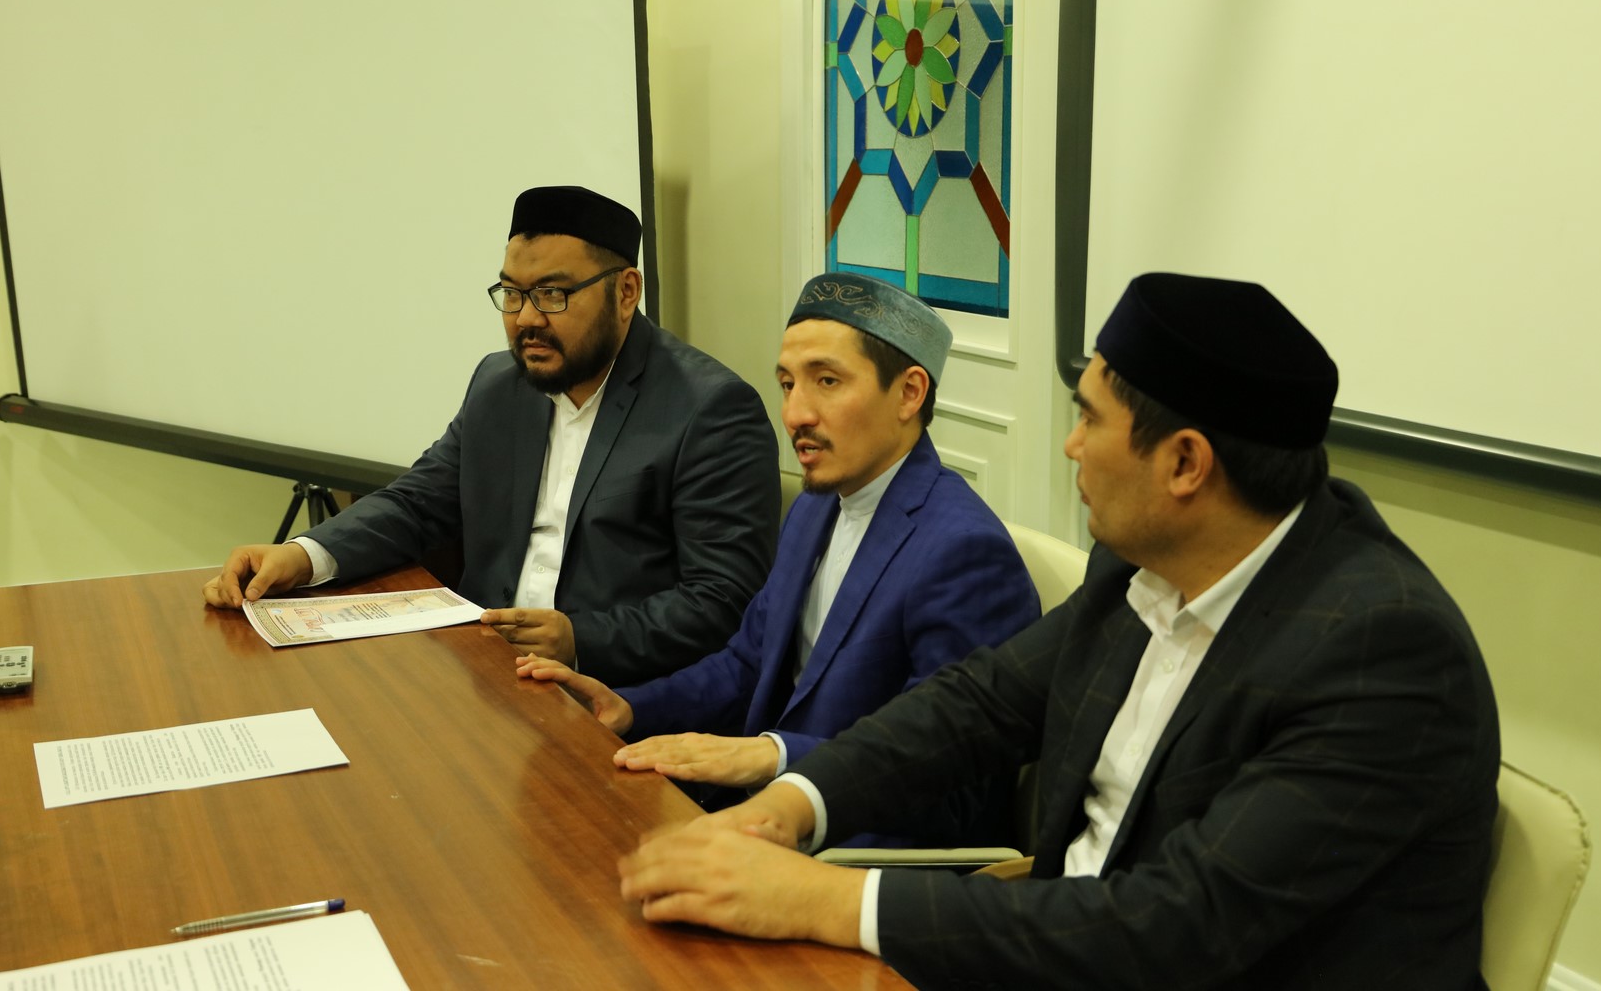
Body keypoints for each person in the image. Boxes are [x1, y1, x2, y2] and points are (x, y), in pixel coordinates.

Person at [616, 273, 1503, 990]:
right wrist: (792, 806)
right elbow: (975, 706)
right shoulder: (1139, 566)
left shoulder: (1380, 654)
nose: (1071, 447)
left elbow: (1176, 926)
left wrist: (824, 902)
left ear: (1185, 463)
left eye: (1088, 418)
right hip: (1063, 945)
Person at [518, 273, 1039, 846]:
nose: (795, 414)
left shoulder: (965, 555)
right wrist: (630, 708)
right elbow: (747, 664)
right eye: (788, 384)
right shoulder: (818, 505)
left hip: (846, 852)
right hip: (756, 816)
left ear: (910, 393)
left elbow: (950, 793)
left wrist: (774, 757)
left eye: (827, 381)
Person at [202, 186, 781, 688]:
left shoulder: (708, 408)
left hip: (615, 695)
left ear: (626, 292)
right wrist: (303, 555)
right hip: (485, 673)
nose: (526, 318)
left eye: (552, 294)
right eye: (512, 293)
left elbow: (724, 600)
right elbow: (418, 502)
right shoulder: (501, 383)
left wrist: (581, 639)